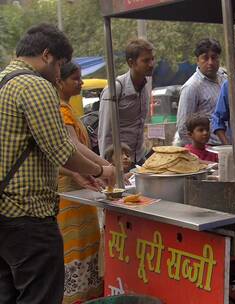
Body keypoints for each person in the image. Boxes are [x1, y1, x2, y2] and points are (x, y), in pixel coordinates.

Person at [0, 23, 115, 304]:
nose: (58, 74)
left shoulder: (3, 80)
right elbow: (61, 149)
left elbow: (28, 149)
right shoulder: (35, 85)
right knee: (40, 295)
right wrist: (102, 170)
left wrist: (76, 173)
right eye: (60, 64)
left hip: (3, 215)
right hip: (28, 216)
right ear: (48, 55)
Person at [56, 62, 112, 303]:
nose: (80, 82)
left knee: (87, 248)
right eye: (75, 79)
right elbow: (73, 146)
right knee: (74, 250)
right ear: (60, 82)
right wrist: (104, 168)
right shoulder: (60, 110)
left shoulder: (67, 108)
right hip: (69, 196)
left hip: (81, 190)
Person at [98, 38, 155, 164]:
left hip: (138, 159)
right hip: (118, 163)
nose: (151, 64)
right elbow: (105, 133)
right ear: (131, 63)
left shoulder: (145, 86)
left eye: (152, 59)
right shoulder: (115, 89)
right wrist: (107, 167)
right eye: (146, 60)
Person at [176, 38, 227, 146]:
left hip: (228, 146)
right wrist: (197, 152)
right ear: (197, 60)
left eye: (214, 58)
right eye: (205, 58)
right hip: (207, 149)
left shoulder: (225, 79)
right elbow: (183, 128)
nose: (210, 62)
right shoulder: (192, 87)